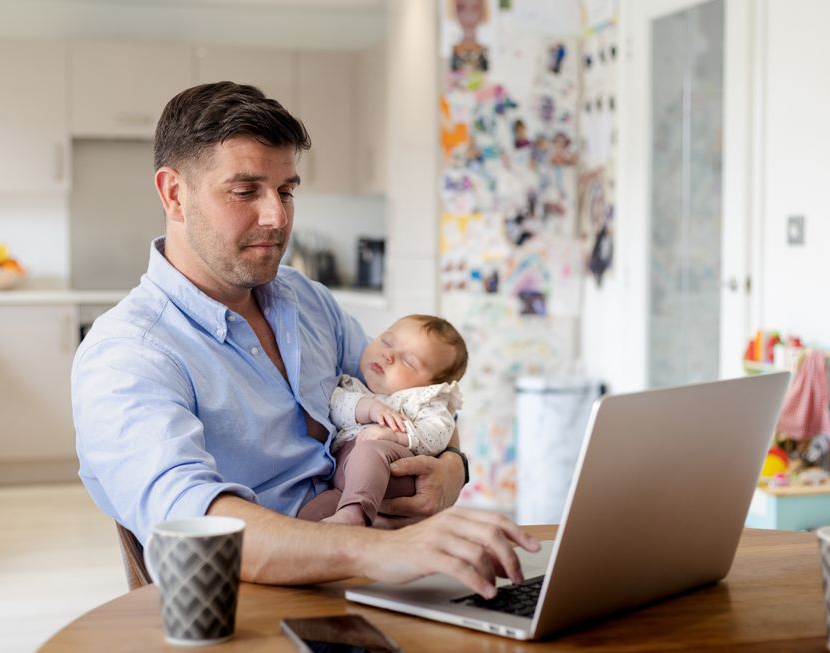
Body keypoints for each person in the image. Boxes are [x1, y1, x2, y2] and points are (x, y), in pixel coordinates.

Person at [71, 81, 537, 599]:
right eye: (246, 191)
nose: (277, 217)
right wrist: (381, 551)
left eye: (286, 190)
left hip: (376, 578)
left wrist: (454, 467)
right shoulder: (128, 355)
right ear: (174, 194)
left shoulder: (307, 300)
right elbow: (195, 527)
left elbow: (410, 399)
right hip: (260, 605)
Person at [298, 315, 467, 526]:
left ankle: (354, 513)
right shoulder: (354, 387)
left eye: (408, 361)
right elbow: (335, 406)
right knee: (310, 515)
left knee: (369, 450)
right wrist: (371, 408)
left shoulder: (422, 402)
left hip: (393, 472)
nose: (388, 355)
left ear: (431, 386)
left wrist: (395, 436)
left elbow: (439, 433)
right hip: (343, 488)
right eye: (386, 342)